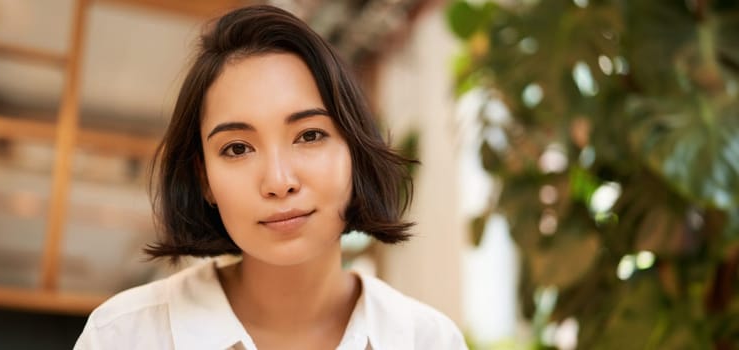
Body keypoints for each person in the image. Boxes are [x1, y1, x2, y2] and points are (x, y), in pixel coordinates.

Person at [74, 5, 466, 350]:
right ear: (205, 178)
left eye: (310, 135)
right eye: (238, 148)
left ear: (354, 152)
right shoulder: (124, 336)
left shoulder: (428, 341)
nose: (279, 181)